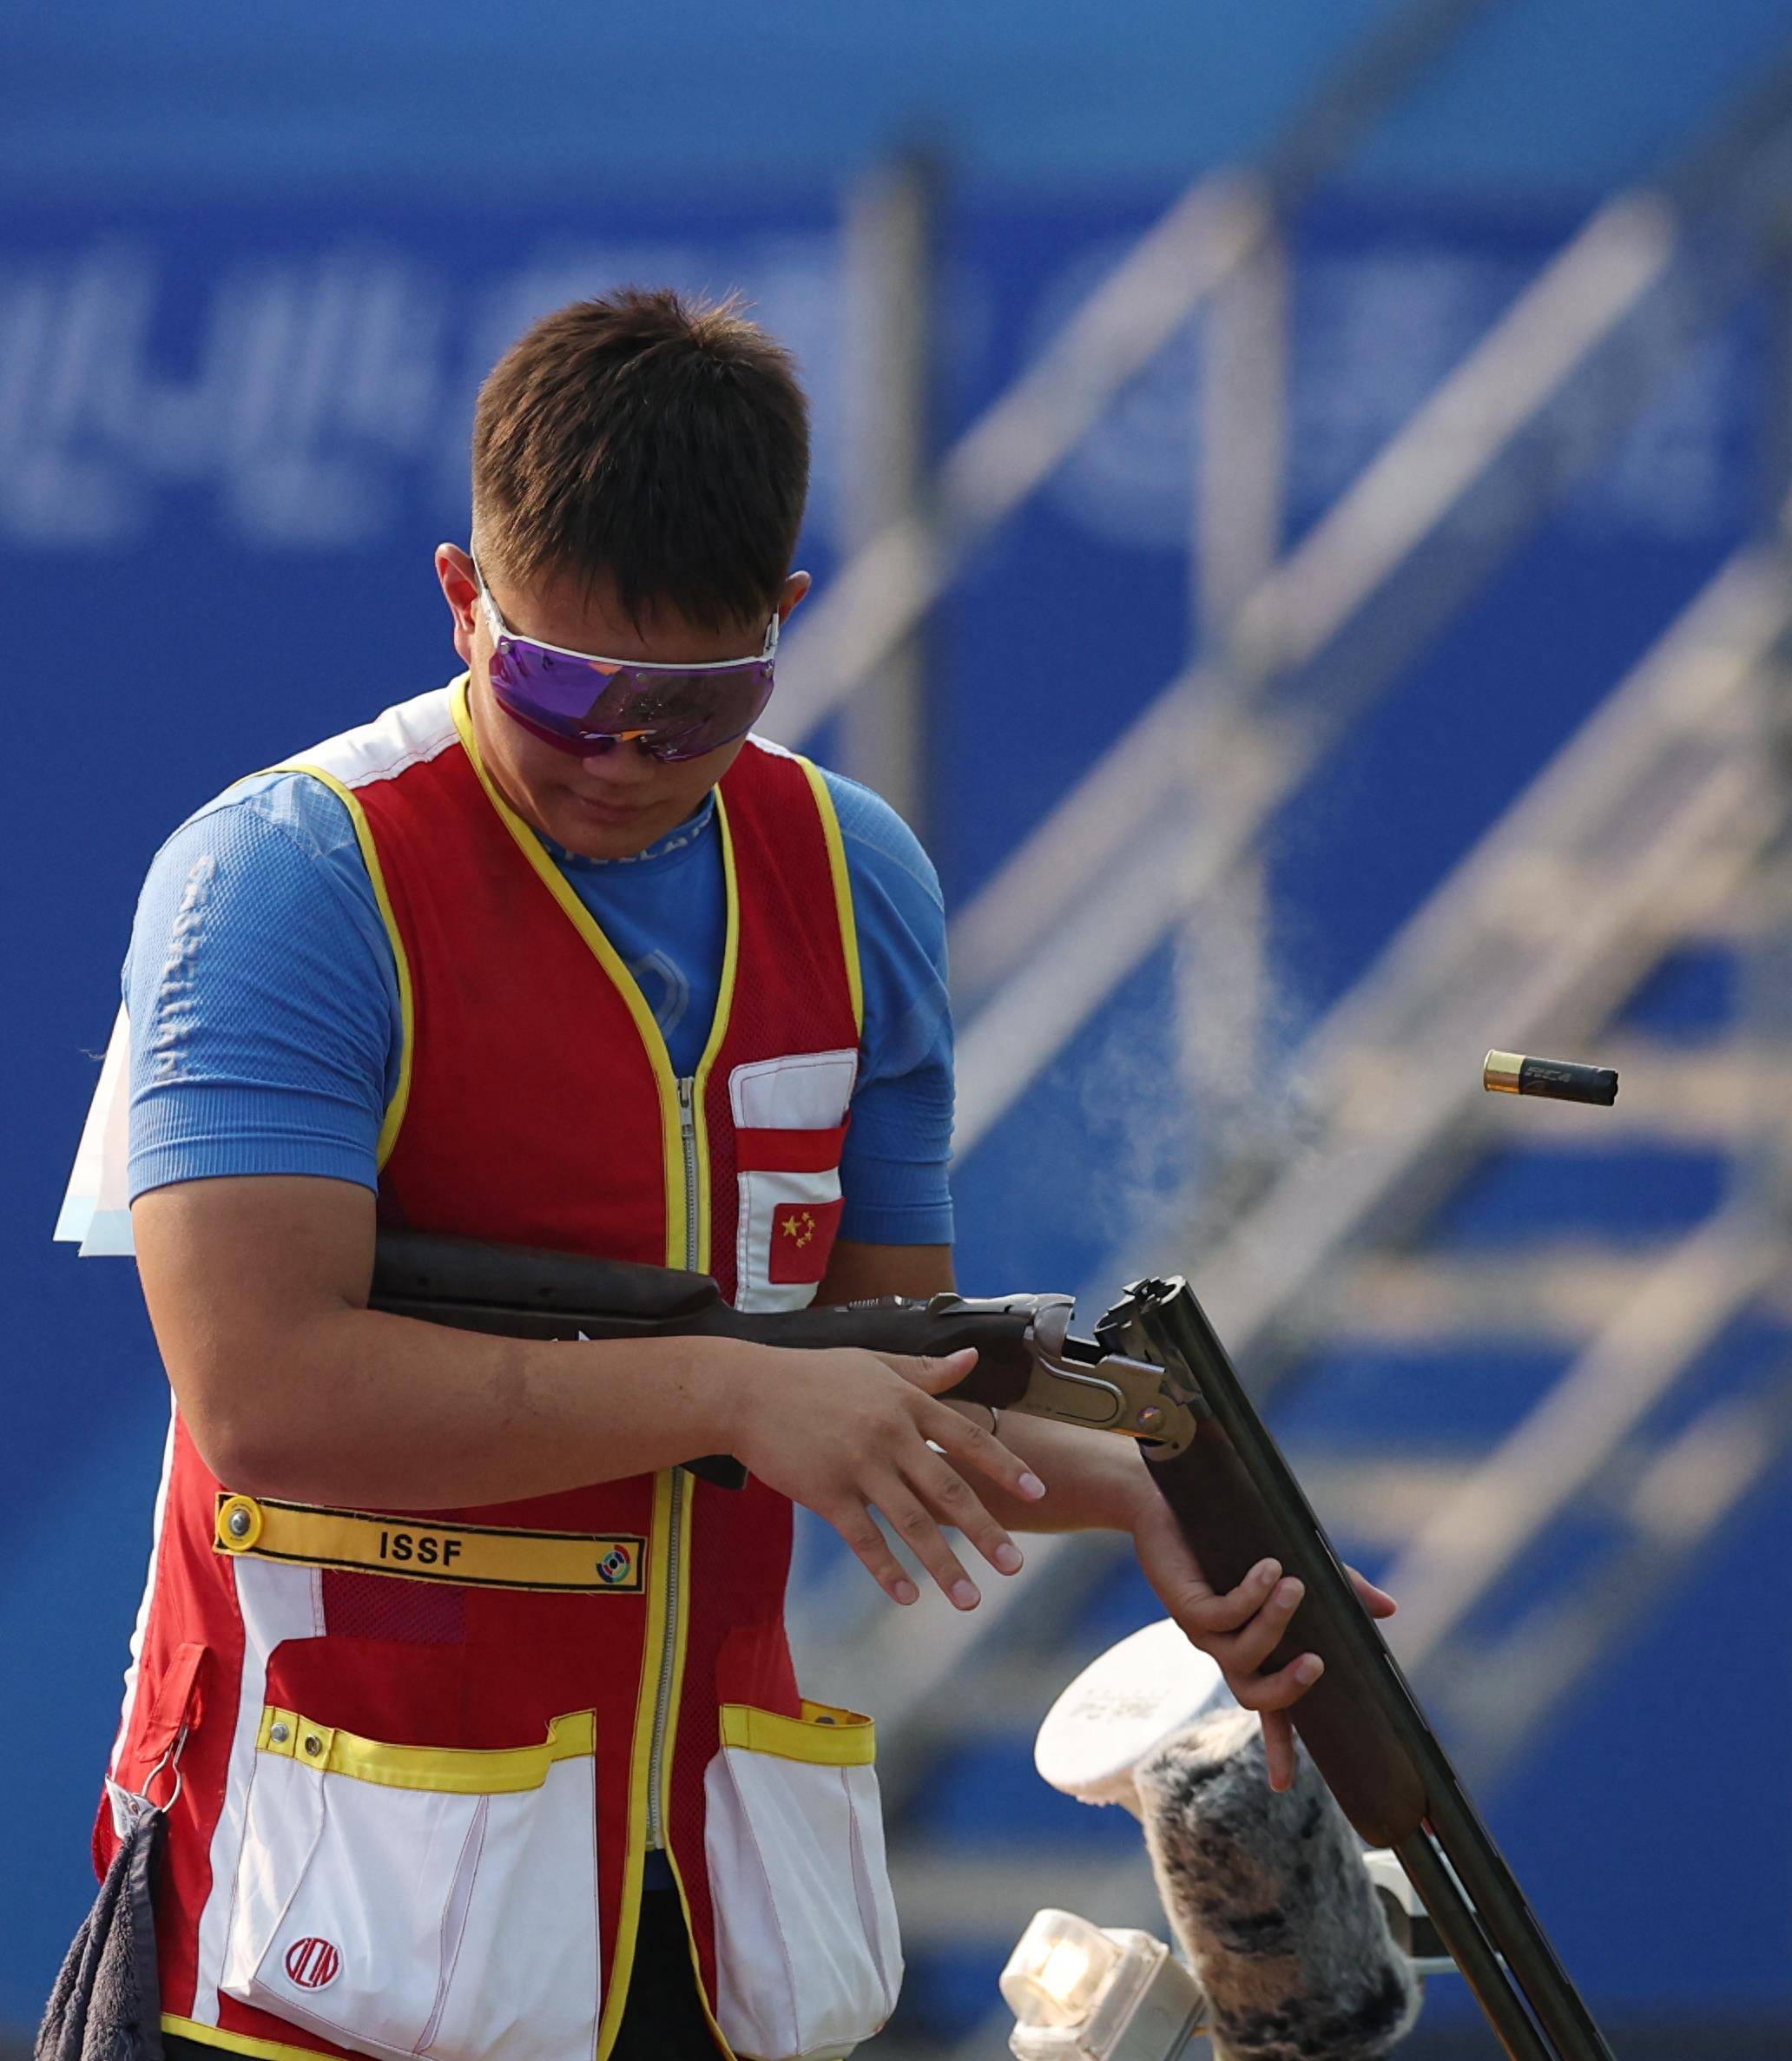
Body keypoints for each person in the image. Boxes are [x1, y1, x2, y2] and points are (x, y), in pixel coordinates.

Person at [86, 287, 1393, 2061]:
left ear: (781, 623)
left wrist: (1157, 1491)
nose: (628, 756)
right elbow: (268, 1394)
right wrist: (723, 1387)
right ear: (463, 595)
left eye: (697, 703)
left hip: (696, 1925)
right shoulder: (287, 877)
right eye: (562, 686)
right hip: (318, 1926)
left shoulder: (854, 877)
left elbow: (887, 1381)